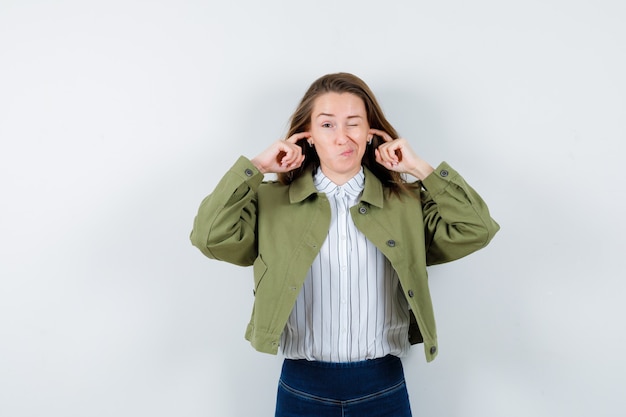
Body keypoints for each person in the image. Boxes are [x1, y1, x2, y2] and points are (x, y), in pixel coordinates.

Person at [190, 72, 499, 417]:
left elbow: (477, 229)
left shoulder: (406, 203)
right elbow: (209, 236)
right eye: (327, 125)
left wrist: (421, 169)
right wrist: (256, 168)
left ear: (371, 133)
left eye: (354, 124)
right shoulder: (271, 202)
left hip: (382, 385)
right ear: (306, 135)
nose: (342, 138)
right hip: (302, 387)